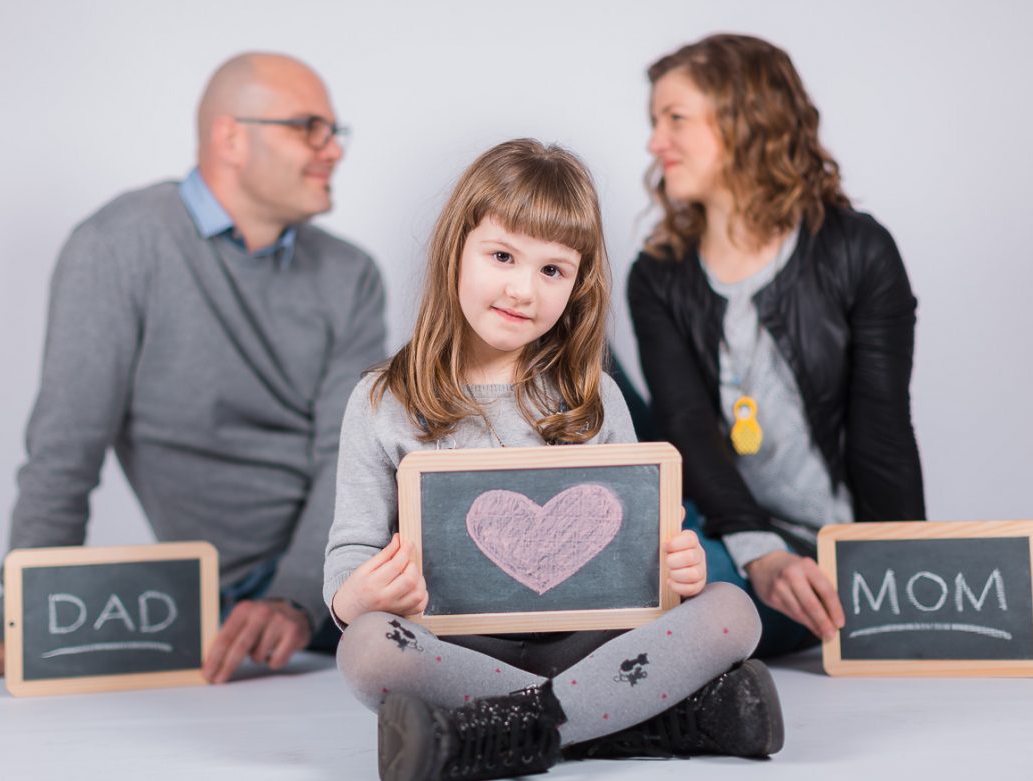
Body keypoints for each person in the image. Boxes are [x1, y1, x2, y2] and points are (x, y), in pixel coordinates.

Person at [0, 53, 386, 687]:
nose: (331, 149)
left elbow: (349, 456)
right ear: (230, 136)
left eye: (334, 131)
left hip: (357, 564)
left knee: (514, 611)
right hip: (237, 594)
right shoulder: (119, 246)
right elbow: (65, 449)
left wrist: (296, 597)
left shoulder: (351, 273)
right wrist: (22, 627)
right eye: (308, 127)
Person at [323, 139, 783, 781]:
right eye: (503, 255)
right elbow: (351, 548)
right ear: (457, 248)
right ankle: (637, 723)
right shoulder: (381, 400)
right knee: (368, 649)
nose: (522, 289)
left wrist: (678, 570)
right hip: (457, 650)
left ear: (578, 283)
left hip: (590, 642)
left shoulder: (594, 397)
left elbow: (643, 546)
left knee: (732, 610)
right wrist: (355, 595)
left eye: (552, 270)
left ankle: (491, 733)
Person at [628, 33, 925, 659]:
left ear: (745, 118)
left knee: (696, 596)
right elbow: (684, 425)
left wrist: (900, 579)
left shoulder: (858, 250)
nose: (656, 143)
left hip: (814, 546)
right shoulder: (658, 274)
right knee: (566, 334)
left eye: (675, 118)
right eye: (654, 121)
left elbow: (883, 431)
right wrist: (755, 550)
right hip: (711, 523)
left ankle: (677, 629)